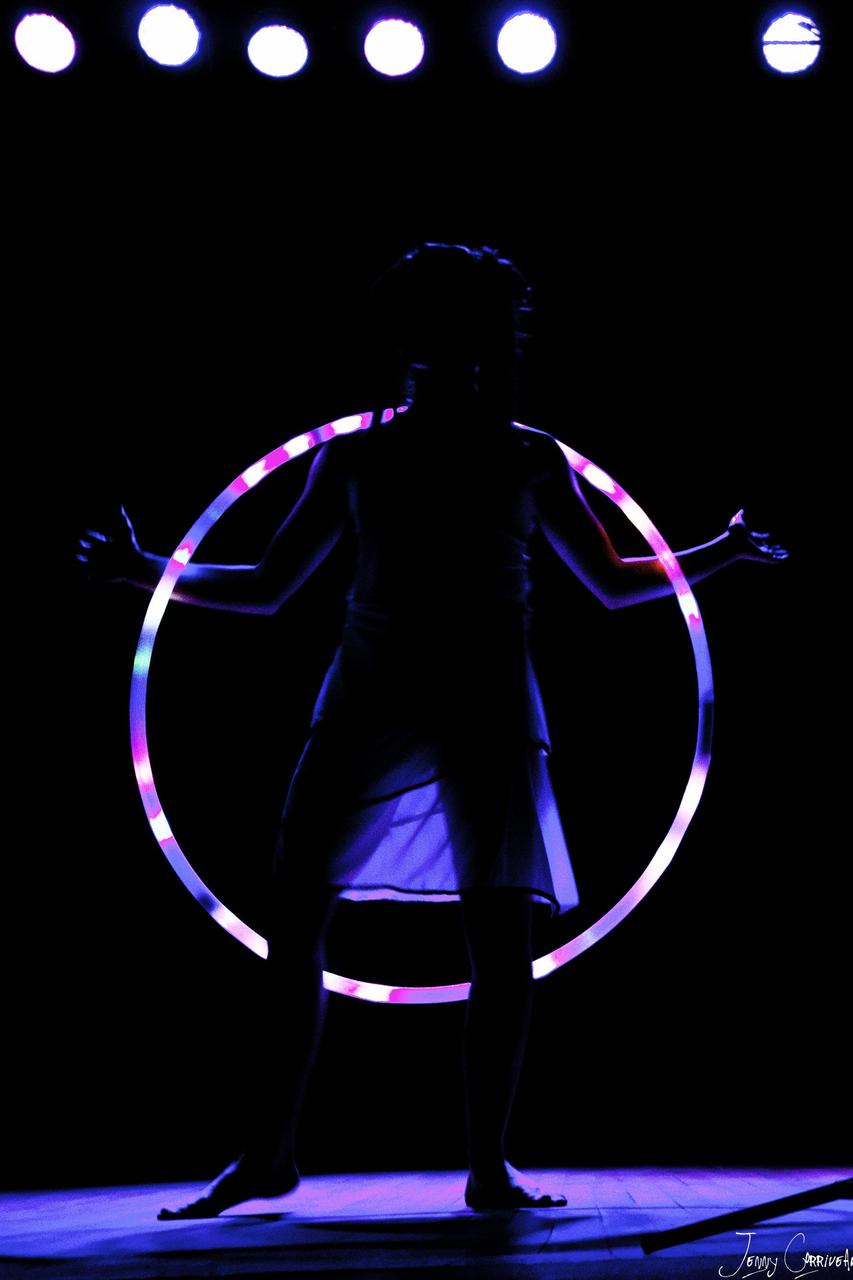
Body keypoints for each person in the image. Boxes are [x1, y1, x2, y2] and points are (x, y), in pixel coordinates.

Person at [78, 243, 788, 1217]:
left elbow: (614, 582)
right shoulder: (361, 456)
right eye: (441, 330)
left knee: (491, 937)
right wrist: (144, 571)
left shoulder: (525, 456)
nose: (462, 350)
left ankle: (484, 1166)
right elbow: (271, 584)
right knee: (308, 919)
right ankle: (280, 1152)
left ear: (489, 344)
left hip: (480, 708)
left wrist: (720, 551)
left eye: (478, 333)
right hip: (370, 700)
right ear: (412, 340)